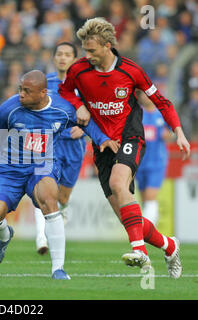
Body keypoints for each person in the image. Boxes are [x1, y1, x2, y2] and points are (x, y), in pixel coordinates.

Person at [59, 17, 190, 278]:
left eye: (92, 50)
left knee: (120, 184)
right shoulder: (79, 71)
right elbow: (65, 92)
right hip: (102, 145)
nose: (87, 55)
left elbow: (161, 102)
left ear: (108, 46)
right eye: (85, 50)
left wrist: (179, 132)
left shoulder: (131, 71)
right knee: (129, 219)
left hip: (130, 136)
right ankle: (170, 246)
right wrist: (79, 106)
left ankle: (139, 251)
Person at [0, 70, 119, 280]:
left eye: (27, 91)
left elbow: (87, 124)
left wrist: (102, 139)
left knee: (49, 198)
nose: (21, 94)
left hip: (42, 167)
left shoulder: (62, 109)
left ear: (43, 92)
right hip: (9, 169)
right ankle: (4, 236)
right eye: (20, 89)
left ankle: (58, 269)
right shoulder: (10, 108)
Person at [34, 42, 86, 255]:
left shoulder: (84, 84)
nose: (63, 58)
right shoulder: (45, 84)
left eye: (68, 55)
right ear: (54, 58)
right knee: (45, 192)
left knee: (62, 198)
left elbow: (97, 111)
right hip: (50, 145)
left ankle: (58, 216)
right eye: (59, 54)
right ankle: (41, 237)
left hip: (74, 147)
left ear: (75, 59)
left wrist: (85, 129)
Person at [135, 92, 172, 226]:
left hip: (157, 162)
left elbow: (172, 132)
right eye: (143, 94)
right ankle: (151, 227)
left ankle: (146, 230)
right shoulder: (137, 113)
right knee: (145, 198)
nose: (146, 97)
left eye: (148, 94)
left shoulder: (161, 114)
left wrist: (168, 135)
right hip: (140, 162)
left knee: (151, 195)